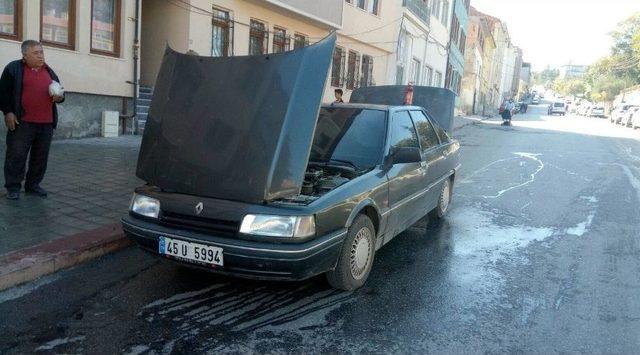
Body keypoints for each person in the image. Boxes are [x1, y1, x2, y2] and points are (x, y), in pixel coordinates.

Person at [0, 40, 64, 200]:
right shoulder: (13, 68)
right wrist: (8, 112)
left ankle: (33, 185)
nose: (41, 55)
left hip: (46, 123)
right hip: (23, 122)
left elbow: (61, 92)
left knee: (40, 156)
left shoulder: (49, 71)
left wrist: (59, 97)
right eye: (36, 53)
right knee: (16, 155)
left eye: (41, 52)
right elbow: (3, 92)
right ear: (25, 55)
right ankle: (13, 187)